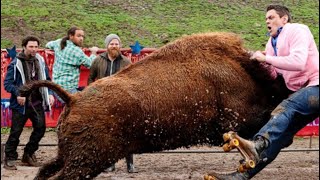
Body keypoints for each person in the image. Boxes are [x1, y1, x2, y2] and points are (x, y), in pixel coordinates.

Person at [211, 4, 319, 180]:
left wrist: (266, 58)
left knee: (286, 108)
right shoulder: (271, 43)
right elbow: (275, 72)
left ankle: (257, 144)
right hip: (304, 91)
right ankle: (242, 175)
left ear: (284, 19)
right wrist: (256, 62)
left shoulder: (298, 30)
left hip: (316, 84)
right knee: (278, 139)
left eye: (271, 17)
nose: (267, 21)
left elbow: (298, 62)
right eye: (266, 19)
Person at [3, 36, 55, 170]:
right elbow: (7, 84)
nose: (34, 49)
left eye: (36, 46)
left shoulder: (40, 61)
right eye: (31, 46)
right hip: (21, 105)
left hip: (37, 102)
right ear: (24, 46)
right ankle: (10, 157)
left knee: (41, 128)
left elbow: (47, 79)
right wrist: (19, 93)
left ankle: (28, 153)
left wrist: (49, 94)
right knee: (16, 132)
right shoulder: (15, 63)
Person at [87, 34, 136, 173]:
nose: (114, 46)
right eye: (111, 44)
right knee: (106, 134)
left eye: (116, 44)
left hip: (121, 101)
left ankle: (130, 163)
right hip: (103, 102)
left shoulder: (126, 62)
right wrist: (92, 97)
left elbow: (132, 81)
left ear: (120, 46)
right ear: (107, 46)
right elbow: (91, 79)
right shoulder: (98, 60)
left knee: (126, 133)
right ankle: (110, 163)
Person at [46, 27, 99, 100]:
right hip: (68, 89)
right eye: (79, 36)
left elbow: (48, 44)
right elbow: (90, 64)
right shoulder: (76, 51)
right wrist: (93, 53)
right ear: (71, 36)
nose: (81, 38)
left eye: (82, 36)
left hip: (56, 86)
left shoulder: (59, 42)